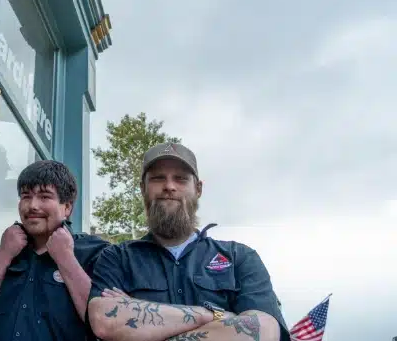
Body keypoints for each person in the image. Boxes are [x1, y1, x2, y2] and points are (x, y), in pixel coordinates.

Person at [87, 142, 290, 341]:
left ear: (198, 189)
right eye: (158, 179)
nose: (169, 186)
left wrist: (139, 317)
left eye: (181, 179)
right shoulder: (117, 258)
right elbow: (105, 319)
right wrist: (213, 316)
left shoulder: (239, 258)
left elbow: (263, 329)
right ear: (143, 188)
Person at [0, 160, 109, 341]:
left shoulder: (95, 253)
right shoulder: (6, 251)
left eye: (44, 197)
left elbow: (104, 323)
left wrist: (66, 259)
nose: (32, 205)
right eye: (26, 196)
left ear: (67, 207)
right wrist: (3, 255)